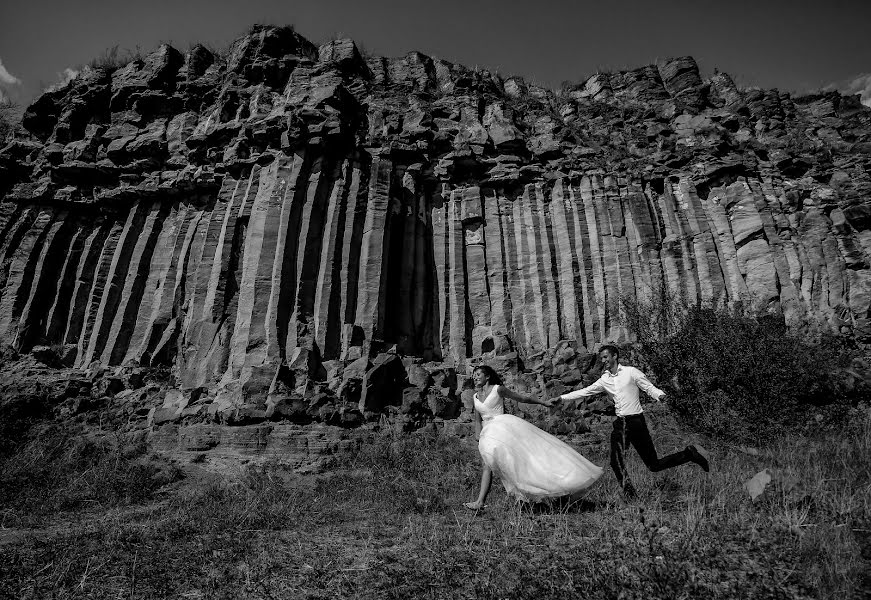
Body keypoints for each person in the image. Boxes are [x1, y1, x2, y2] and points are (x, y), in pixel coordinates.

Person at [552, 345, 709, 499]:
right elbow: (585, 392)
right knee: (615, 462)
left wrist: (660, 396)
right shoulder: (604, 380)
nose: (603, 360)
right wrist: (562, 398)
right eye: (601, 358)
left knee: (653, 465)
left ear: (615, 356)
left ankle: (689, 454)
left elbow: (649, 387)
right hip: (620, 424)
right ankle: (631, 496)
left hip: (636, 422)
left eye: (606, 357)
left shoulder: (631, 372)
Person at [464, 365, 604, 510]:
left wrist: (543, 402)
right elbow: (477, 419)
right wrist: (478, 436)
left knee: (513, 463)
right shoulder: (475, 397)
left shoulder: (498, 389)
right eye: (474, 375)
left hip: (503, 429)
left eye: (478, 374)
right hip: (487, 434)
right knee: (486, 465)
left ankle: (539, 491)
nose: (475, 377)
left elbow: (522, 398)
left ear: (487, 376)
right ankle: (481, 502)